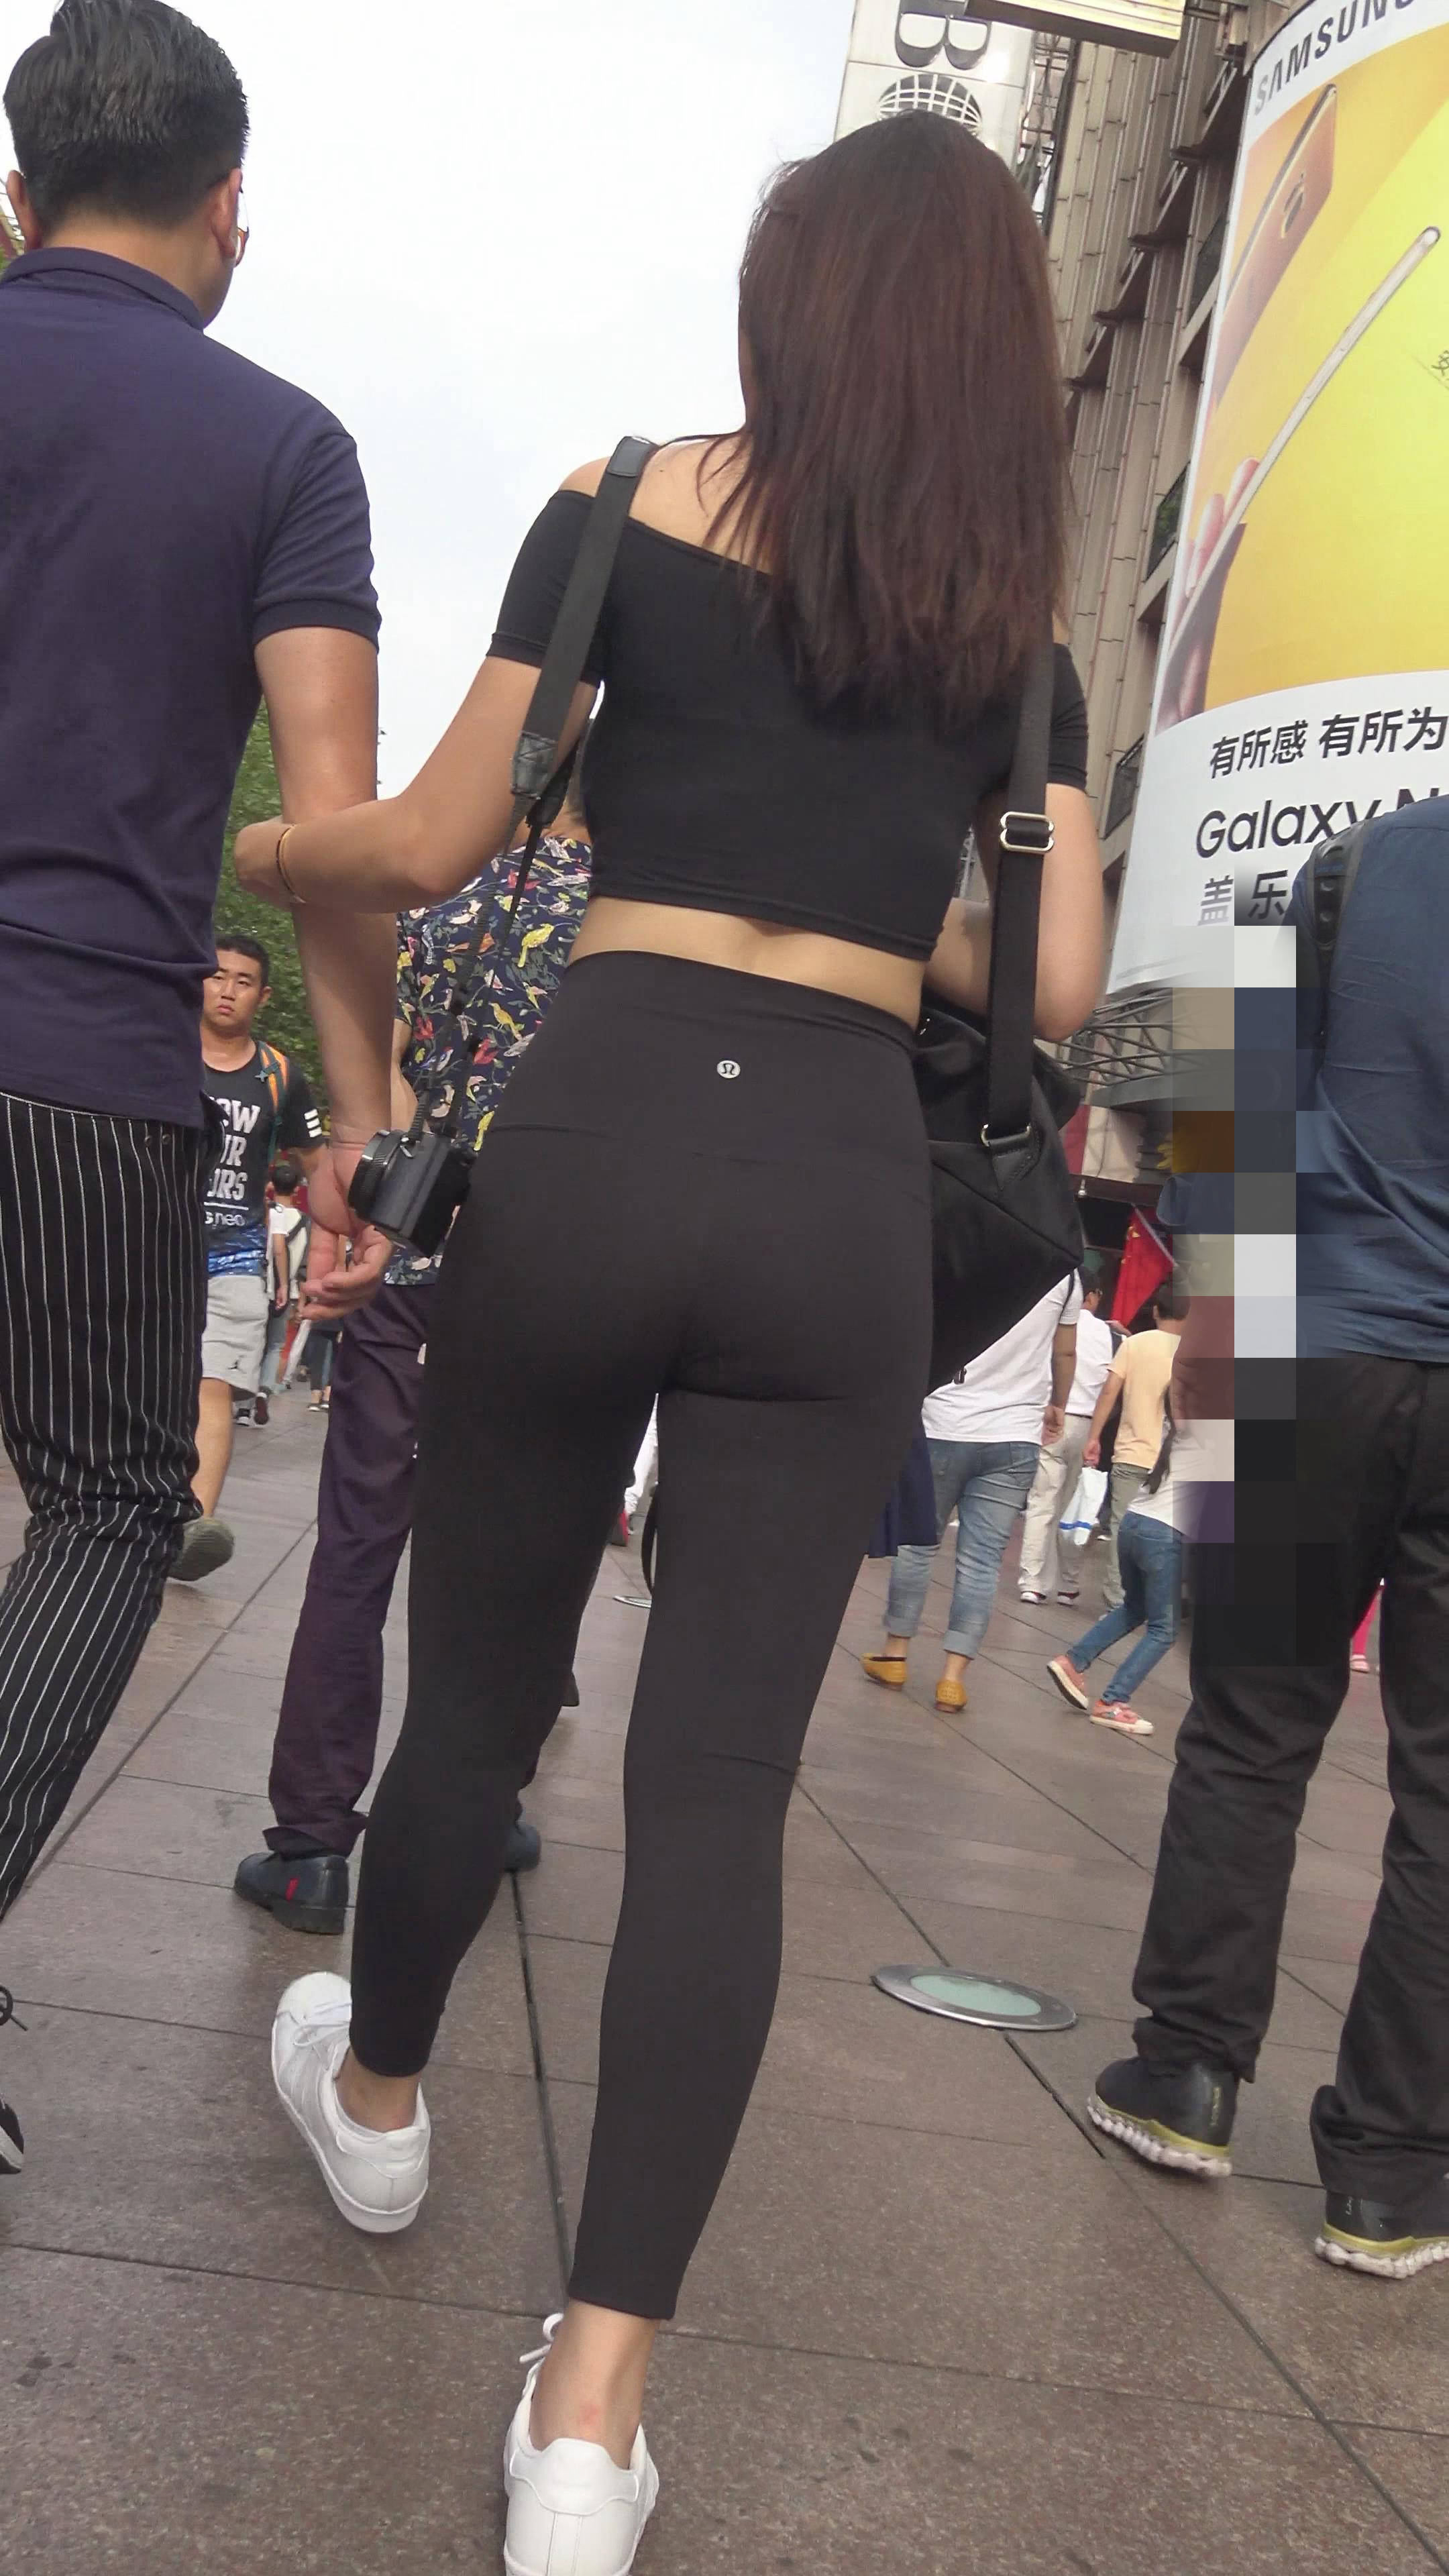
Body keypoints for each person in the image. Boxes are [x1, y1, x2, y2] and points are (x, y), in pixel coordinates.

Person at [235, 116, 1104, 2567]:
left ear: (786, 303)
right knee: (719, 1790)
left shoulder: (617, 507)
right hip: (834, 1187)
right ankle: (589, 2420)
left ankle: (377, 2096)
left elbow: (431, 840)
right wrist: (880, 904)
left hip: (599, 1131)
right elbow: (1047, 983)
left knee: (478, 1692)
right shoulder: (1009, 636)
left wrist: (273, 848)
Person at [0, 0, 395, 2176]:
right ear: (233, 205)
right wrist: (363, 1128)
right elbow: (329, 827)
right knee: (109, 1501)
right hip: (84, 1061)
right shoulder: (281, 446)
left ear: (18, 193)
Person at [1091, 800, 1449, 2282]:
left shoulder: (1354, 859)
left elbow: (1224, 1080)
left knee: (1247, 1727)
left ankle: (1185, 2073)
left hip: (1299, 1343)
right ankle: (1394, 2177)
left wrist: (1218, 1309)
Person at [233, 783, 595, 1933]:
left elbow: (380, 1072)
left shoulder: (440, 891)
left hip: (418, 1261)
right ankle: (480, 1808)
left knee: (358, 1544)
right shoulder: (646, 913)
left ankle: (310, 1847)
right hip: (569, 1280)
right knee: (523, 1558)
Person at [863, 1275, 1081, 1712]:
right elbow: (1065, 1352)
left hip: (944, 1422)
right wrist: (1059, 1403)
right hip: (1015, 1435)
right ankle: (952, 1679)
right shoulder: (1066, 1276)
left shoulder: (966, 1252)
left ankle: (895, 1654)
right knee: (982, 1561)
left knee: (917, 1545)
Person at [179, 934, 325, 1574]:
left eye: (243, 981)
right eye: (217, 976)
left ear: (262, 996)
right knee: (140, 1387)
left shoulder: (281, 1076)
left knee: (213, 1388)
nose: (227, 990)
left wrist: (337, 1245)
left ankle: (191, 1529)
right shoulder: (161, 1050)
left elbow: (318, 1166)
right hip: (152, 1243)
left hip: (235, 1255)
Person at [1047, 1409, 1180, 1735]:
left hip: (1135, 1522)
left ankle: (1073, 1662)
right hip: (1167, 1533)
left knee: (1135, 1607)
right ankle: (1114, 1701)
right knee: (1164, 1628)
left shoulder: (1185, 1423)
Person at [1081, 1290, 1186, 1605]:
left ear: (1155, 1312)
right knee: (1169, 1531)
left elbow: (1109, 1391)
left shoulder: (1134, 1344)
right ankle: (1159, 1599)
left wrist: (1094, 1437)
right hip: (1174, 1458)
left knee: (1119, 1527)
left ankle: (1118, 1600)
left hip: (1132, 1452)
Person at [1018, 1273, 1114, 1605]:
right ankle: (1068, 1584)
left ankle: (1032, 1582)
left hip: (1052, 1419)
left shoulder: (1053, 1325)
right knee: (1073, 1508)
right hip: (1087, 1426)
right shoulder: (1111, 1335)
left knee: (1042, 1504)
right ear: (1094, 1296)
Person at [256, 1158, 309, 1419]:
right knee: (276, 1344)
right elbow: (305, 1265)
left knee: (255, 1341)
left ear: (272, 1184)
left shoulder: (263, 1214)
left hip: (258, 1285)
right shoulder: (304, 1222)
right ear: (297, 1189)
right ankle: (264, 1391)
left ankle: (243, 1405)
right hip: (286, 1292)